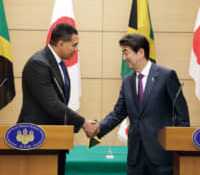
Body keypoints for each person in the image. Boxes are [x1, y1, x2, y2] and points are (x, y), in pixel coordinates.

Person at [93, 34, 190, 175]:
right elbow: (118, 113)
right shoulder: (127, 81)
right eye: (123, 53)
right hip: (135, 157)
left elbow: (182, 113)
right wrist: (98, 128)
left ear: (141, 52)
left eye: (126, 52)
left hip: (161, 155)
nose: (124, 58)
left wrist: (181, 145)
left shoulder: (166, 75)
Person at [17, 23, 98, 175]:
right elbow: (52, 104)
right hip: (37, 141)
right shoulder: (38, 64)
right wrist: (83, 123)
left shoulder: (58, 63)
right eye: (74, 45)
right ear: (60, 44)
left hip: (54, 141)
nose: (77, 49)